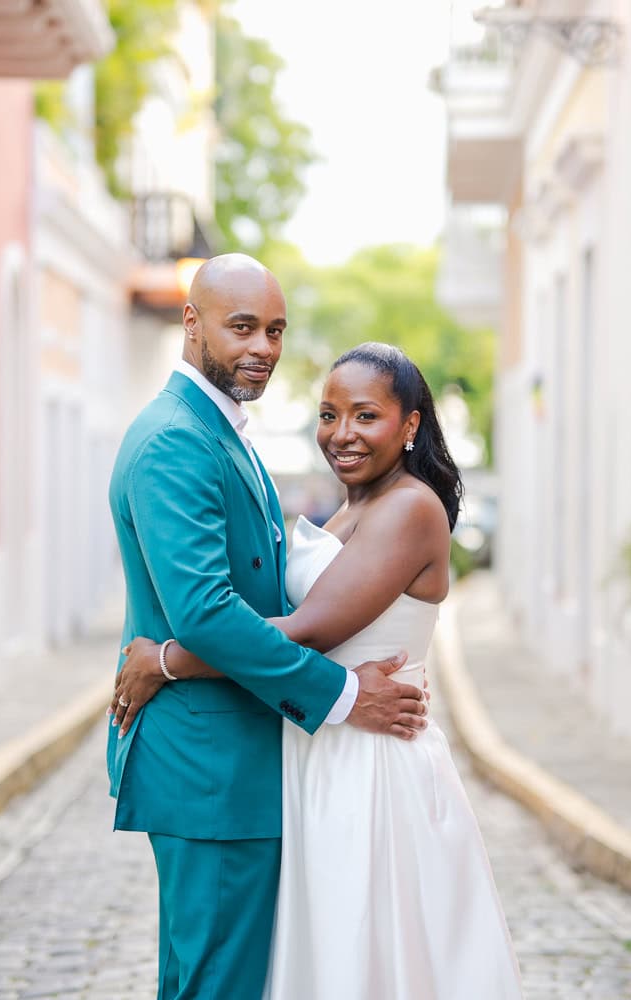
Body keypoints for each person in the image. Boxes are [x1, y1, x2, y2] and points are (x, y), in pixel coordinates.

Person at [113, 341, 526, 999]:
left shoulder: (410, 508)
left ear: (410, 424)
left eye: (365, 416)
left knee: (360, 953)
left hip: (372, 763)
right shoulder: (355, 505)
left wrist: (166, 661)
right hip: (324, 748)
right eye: (329, 415)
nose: (342, 434)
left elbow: (309, 629)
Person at [106, 254, 432, 1000]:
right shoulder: (176, 441)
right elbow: (209, 612)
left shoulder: (222, 430)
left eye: (276, 331)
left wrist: (164, 656)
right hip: (213, 770)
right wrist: (347, 695)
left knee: (208, 981)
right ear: (192, 324)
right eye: (243, 327)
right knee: (219, 985)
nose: (263, 347)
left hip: (243, 762)